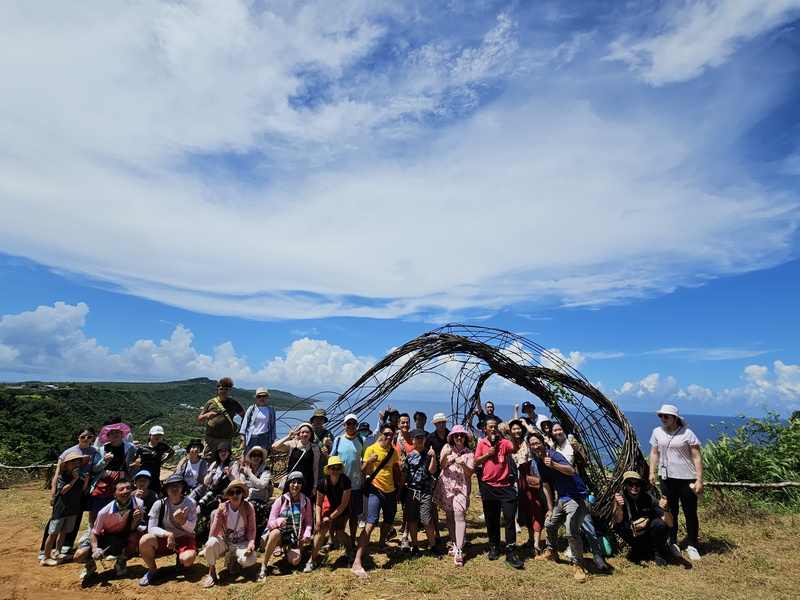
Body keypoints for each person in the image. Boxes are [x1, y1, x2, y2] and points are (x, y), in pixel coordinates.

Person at [531, 432, 590, 583]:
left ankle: (578, 565)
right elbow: (546, 486)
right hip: (562, 499)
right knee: (549, 523)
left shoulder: (554, 455)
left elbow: (571, 470)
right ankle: (552, 552)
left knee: (572, 531)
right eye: (532, 444)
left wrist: (553, 464)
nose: (536, 446)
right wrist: (550, 509)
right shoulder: (538, 461)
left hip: (577, 498)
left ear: (543, 443)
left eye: (537, 443)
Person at [649, 404, 704, 561]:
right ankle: (673, 542)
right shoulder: (657, 432)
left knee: (690, 512)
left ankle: (692, 545)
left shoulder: (687, 433)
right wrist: (651, 472)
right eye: (661, 416)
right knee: (669, 511)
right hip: (667, 478)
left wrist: (699, 480)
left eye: (666, 416)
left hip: (687, 478)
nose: (663, 419)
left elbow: (697, 457)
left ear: (675, 418)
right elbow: (654, 453)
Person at [351, 423, 401, 579]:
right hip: (375, 490)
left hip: (391, 491)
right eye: (386, 434)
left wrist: (399, 488)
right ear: (380, 434)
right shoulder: (371, 449)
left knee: (388, 520)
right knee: (371, 523)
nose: (388, 437)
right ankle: (357, 561)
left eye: (391, 435)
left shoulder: (393, 452)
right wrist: (370, 461)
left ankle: (381, 543)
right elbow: (363, 471)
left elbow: (394, 471)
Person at [474, 415, 523, 569]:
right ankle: (494, 546)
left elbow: (515, 448)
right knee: (491, 518)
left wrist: (509, 433)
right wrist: (488, 454)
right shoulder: (482, 443)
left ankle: (511, 550)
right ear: (485, 429)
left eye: (495, 426)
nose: (493, 429)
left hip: (505, 485)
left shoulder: (504, 442)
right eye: (490, 427)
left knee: (509, 517)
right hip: (488, 486)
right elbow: (476, 461)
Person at [41, 427, 97, 559]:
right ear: (77, 437)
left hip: (81, 489)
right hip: (66, 490)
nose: (86, 439)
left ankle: (65, 546)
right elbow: (57, 474)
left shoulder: (94, 451)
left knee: (75, 517)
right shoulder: (69, 452)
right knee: (56, 519)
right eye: (83, 436)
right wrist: (54, 493)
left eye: (89, 436)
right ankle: (45, 549)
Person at [74, 478, 143, 580]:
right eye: (121, 489)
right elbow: (94, 532)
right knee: (78, 556)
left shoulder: (138, 504)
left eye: (128, 488)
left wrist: (137, 519)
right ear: (114, 494)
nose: (125, 491)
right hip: (104, 536)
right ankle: (90, 564)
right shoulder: (104, 512)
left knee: (136, 536)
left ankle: (121, 561)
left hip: (122, 535)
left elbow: (132, 528)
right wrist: (95, 549)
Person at [138, 473, 198, 586]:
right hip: (166, 541)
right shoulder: (159, 504)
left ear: (182, 487)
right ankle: (152, 570)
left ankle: (180, 560)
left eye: (177, 485)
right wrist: (168, 534)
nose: (174, 488)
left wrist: (181, 520)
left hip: (185, 538)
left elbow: (191, 529)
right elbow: (151, 528)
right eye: (170, 486)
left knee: (187, 560)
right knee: (145, 540)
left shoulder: (190, 503)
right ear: (166, 489)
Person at [202, 480, 258, 588]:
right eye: (231, 493)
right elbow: (213, 533)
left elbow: (252, 529)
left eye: (238, 492)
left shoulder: (248, 507)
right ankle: (212, 572)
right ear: (228, 496)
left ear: (242, 494)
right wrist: (218, 513)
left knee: (251, 560)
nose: (235, 495)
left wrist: (251, 544)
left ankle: (233, 557)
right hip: (225, 541)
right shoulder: (223, 508)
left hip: (241, 542)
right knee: (211, 543)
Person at [259, 471, 312, 580]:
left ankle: (287, 548)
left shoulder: (306, 501)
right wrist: (278, 521)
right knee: (275, 533)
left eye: (299, 483)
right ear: (288, 484)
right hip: (280, 535)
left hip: (296, 536)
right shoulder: (280, 500)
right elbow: (270, 523)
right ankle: (264, 565)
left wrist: (307, 533)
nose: (296, 485)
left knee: (295, 561)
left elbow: (308, 522)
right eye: (293, 482)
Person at [433, 425, 474, 567]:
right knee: (449, 515)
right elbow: (442, 465)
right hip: (447, 486)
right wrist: (446, 456)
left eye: (461, 436)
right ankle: (454, 542)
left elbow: (470, 473)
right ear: (452, 438)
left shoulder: (469, 453)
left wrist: (462, 463)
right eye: (456, 436)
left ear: (465, 438)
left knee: (459, 515)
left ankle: (459, 549)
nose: (459, 438)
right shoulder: (447, 448)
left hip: (461, 488)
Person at [613, 471, 674, 565]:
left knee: (660, 524)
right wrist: (618, 506)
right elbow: (618, 520)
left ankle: (657, 552)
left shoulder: (649, 499)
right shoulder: (621, 497)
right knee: (618, 525)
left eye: (637, 484)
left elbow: (670, 524)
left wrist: (666, 510)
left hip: (648, 532)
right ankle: (637, 549)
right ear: (625, 485)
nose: (634, 487)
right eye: (630, 484)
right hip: (632, 533)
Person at [304, 456, 353, 572]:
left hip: (341, 509)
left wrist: (331, 517)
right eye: (333, 468)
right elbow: (318, 503)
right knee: (321, 531)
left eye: (337, 468)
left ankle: (350, 551)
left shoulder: (345, 481)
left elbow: (344, 504)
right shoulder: (323, 482)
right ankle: (312, 560)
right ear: (328, 469)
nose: (335, 471)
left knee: (340, 532)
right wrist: (318, 520)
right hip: (329, 507)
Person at [41, 452, 91, 566]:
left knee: (64, 532)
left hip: (73, 508)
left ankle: (58, 552)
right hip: (61, 509)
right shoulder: (62, 477)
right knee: (53, 533)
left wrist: (86, 481)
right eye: (73, 462)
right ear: (66, 465)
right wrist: (73, 479)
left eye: (78, 462)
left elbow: (83, 490)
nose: (76, 464)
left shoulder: (79, 477)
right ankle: (45, 557)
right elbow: (63, 490)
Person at [401, 428, 442, 559]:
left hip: (425, 492)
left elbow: (432, 471)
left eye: (422, 437)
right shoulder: (409, 456)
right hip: (412, 491)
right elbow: (405, 473)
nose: (420, 439)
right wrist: (401, 488)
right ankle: (415, 546)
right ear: (412, 440)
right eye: (417, 438)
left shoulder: (429, 454)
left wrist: (434, 457)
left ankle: (433, 546)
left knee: (427, 521)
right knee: (412, 520)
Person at [330, 414, 366, 546]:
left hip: (356, 485)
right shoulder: (338, 439)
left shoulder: (362, 440)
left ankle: (351, 540)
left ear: (357, 425)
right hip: (340, 484)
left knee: (354, 515)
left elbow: (365, 460)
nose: (351, 426)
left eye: (353, 423)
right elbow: (332, 458)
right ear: (344, 425)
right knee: (337, 513)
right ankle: (332, 539)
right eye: (348, 423)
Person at [88, 424, 137, 519]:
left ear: (122, 433)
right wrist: (103, 461)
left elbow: (135, 461)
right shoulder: (102, 450)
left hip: (121, 480)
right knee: (97, 506)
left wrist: (135, 467)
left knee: (119, 505)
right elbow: (95, 469)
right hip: (104, 480)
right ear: (108, 436)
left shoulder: (130, 447)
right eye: (111, 433)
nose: (114, 435)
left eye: (117, 432)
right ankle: (92, 528)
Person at [197, 377, 245, 460]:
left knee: (224, 461)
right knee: (208, 460)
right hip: (211, 438)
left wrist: (238, 433)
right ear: (217, 390)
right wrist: (206, 415)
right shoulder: (210, 402)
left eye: (226, 389)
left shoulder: (234, 403)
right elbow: (200, 420)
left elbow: (245, 418)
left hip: (226, 439)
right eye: (221, 389)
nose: (223, 391)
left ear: (229, 390)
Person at [272, 423, 320, 500]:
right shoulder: (293, 444)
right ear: (299, 433)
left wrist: (315, 486)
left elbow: (315, 468)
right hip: (292, 481)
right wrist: (288, 437)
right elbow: (275, 446)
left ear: (311, 434)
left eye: (307, 432)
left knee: (305, 505)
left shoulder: (314, 448)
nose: (305, 434)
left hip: (307, 482)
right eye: (302, 432)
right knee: (288, 503)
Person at [518, 434, 546, 556]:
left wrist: (525, 424)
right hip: (523, 484)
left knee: (536, 512)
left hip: (535, 484)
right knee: (527, 512)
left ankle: (536, 545)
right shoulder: (516, 448)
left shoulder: (538, 454)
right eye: (532, 444)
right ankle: (531, 539)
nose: (535, 446)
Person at [239, 446, 273, 540]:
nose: (256, 457)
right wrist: (254, 482)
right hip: (245, 498)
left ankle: (251, 536)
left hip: (260, 499)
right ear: (250, 457)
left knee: (250, 507)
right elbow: (242, 485)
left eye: (259, 455)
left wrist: (250, 475)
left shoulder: (265, 469)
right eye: (254, 455)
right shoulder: (244, 470)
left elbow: (261, 485)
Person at [197, 442, 238, 517]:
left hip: (225, 495)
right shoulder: (214, 464)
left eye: (225, 451)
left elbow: (237, 482)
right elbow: (206, 482)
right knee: (198, 511)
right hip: (212, 494)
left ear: (229, 453)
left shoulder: (233, 464)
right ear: (218, 453)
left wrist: (229, 475)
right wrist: (211, 475)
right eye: (221, 451)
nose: (223, 453)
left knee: (214, 514)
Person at [133, 425, 174, 496]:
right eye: (155, 435)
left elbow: (172, 452)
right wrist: (137, 461)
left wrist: (163, 461)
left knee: (155, 491)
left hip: (155, 472)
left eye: (159, 435)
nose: (157, 437)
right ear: (149, 436)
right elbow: (135, 459)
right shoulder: (142, 448)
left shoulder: (163, 446)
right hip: (144, 473)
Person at [240, 387, 277, 459]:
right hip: (251, 437)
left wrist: (272, 441)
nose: (261, 398)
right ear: (256, 398)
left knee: (262, 458)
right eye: (259, 396)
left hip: (264, 437)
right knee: (247, 457)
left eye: (264, 396)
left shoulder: (271, 410)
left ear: (267, 397)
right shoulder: (252, 409)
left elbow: (273, 426)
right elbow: (244, 426)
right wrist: (243, 440)